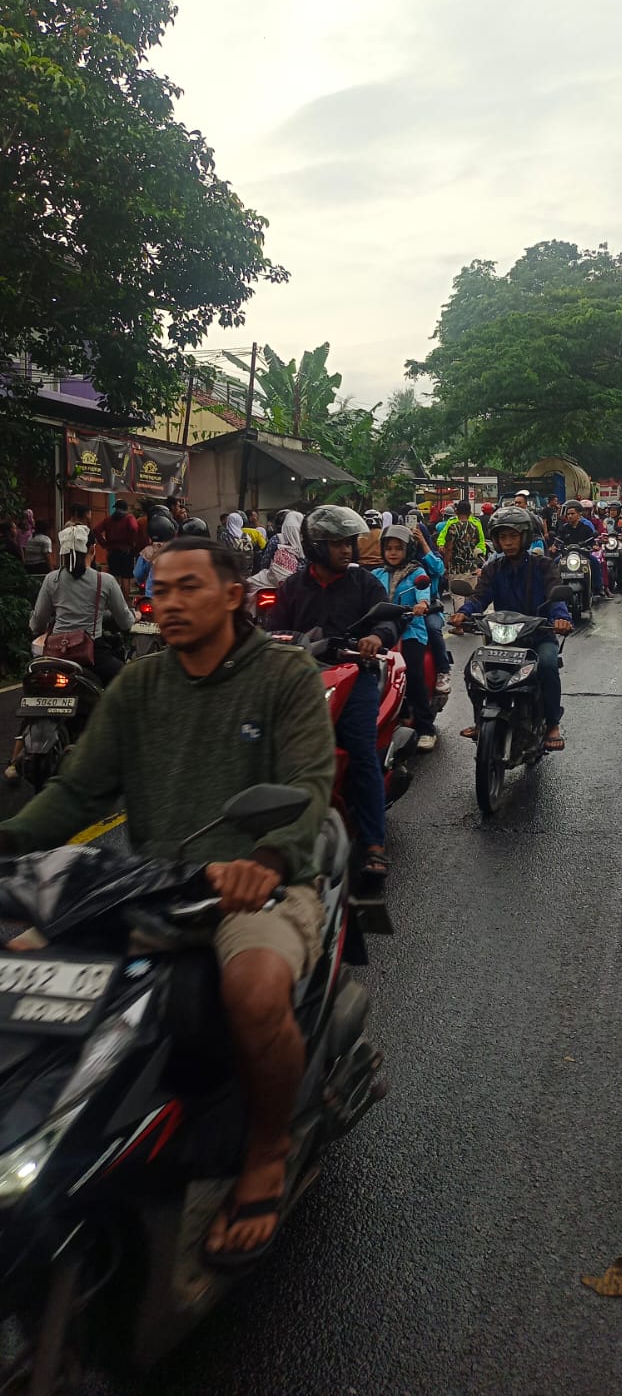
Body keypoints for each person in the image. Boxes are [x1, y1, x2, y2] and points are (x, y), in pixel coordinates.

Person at [0, 535, 335, 1266]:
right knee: (26, 971)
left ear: (232, 595)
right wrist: (10, 840)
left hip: (262, 886)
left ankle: (266, 1152)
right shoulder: (138, 685)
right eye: (160, 587)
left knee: (251, 989)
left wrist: (266, 858)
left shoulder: (284, 676)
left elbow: (308, 788)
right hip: (149, 881)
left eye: (189, 586)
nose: (169, 600)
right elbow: (75, 793)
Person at [268, 505, 398, 880]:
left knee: (361, 752)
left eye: (348, 543)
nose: (346, 549)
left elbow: (389, 618)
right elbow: (272, 627)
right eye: (336, 543)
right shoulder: (292, 587)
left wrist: (377, 636)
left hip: (355, 677)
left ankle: (374, 843)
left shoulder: (365, 583)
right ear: (315, 547)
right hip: (302, 680)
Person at [450, 505, 571, 751]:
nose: (508, 542)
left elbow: (556, 596)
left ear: (525, 536)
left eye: (513, 536)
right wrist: (462, 614)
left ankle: (552, 724)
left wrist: (560, 618)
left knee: (548, 665)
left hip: (539, 634)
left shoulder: (543, 566)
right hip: (504, 637)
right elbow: (479, 598)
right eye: (503, 537)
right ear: (495, 540)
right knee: (473, 669)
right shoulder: (493, 569)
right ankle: (480, 720)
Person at [29, 523, 135, 684]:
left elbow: (37, 624)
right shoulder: (105, 580)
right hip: (92, 655)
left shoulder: (52, 579)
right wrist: (136, 615)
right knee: (127, 680)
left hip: (56, 654)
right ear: (92, 549)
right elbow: (126, 622)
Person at [372, 524, 442, 751]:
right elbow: (365, 593)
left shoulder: (417, 572)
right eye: (389, 548)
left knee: (412, 674)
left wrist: (422, 604)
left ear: (408, 550)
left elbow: (424, 589)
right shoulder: (377, 574)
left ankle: (426, 728)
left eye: (398, 548)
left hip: (411, 629)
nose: (393, 553)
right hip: (382, 631)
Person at [246, 511, 305, 595]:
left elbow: (265, 560)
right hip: (298, 584)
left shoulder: (276, 538)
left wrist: (265, 571)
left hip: (273, 582)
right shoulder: (305, 542)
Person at [94, 499, 142, 596]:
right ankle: (125, 604)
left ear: (115, 508)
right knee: (125, 578)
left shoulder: (108, 520)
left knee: (114, 578)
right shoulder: (129, 518)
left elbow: (96, 530)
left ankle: (114, 602)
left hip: (112, 551)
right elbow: (134, 528)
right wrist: (131, 542)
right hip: (126, 551)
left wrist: (104, 544)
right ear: (126, 508)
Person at [437, 500, 487, 580]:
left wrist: (444, 566)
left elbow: (448, 547)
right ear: (470, 512)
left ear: (456, 512)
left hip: (456, 570)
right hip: (472, 569)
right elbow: (481, 542)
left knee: (455, 591)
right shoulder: (476, 525)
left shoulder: (452, 525)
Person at [134, 511, 179, 597]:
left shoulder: (146, 552)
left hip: (152, 597)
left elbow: (138, 574)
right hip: (172, 596)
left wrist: (141, 581)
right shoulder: (175, 550)